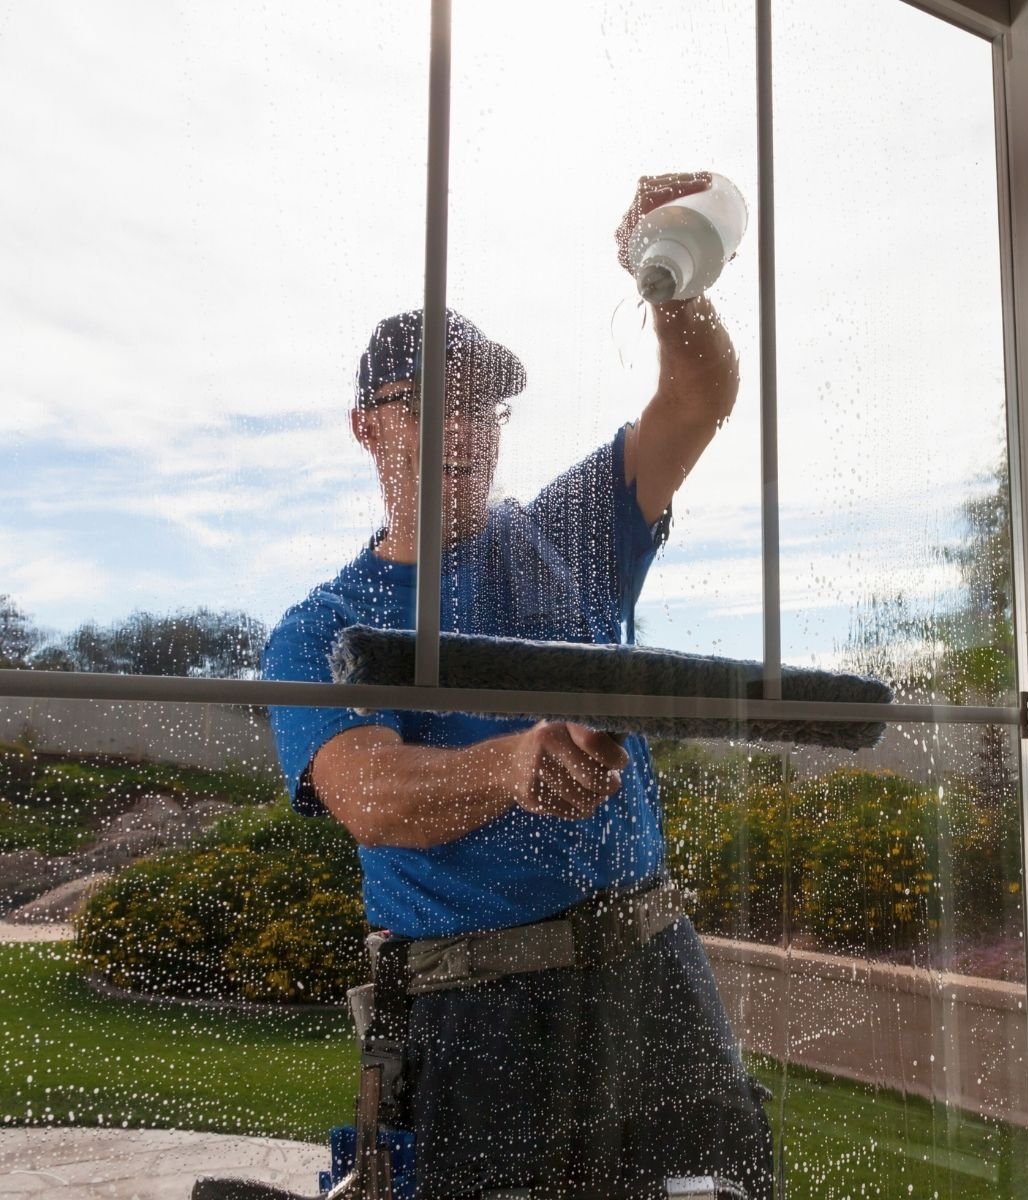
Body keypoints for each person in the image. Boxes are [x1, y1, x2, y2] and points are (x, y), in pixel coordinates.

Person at [262, 173, 773, 1200]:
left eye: (482, 404)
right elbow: (370, 797)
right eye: (429, 405)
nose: (464, 429)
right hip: (477, 1015)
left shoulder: (566, 538)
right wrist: (511, 767)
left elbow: (698, 399)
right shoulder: (322, 629)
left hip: (653, 970)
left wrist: (672, 281)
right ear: (366, 427)